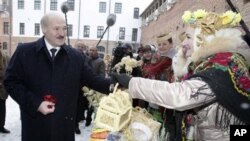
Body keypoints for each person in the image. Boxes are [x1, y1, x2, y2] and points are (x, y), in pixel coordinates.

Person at [112, 10, 250, 140]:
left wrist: (131, 83)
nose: (183, 43)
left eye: (188, 37)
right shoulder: (222, 61)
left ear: (205, 39)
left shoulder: (220, 67)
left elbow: (180, 95)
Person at [3, 12, 110, 141]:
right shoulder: (25, 52)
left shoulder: (75, 57)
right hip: (35, 127)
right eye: (56, 28)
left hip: (64, 130)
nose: (62, 33)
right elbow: (11, 82)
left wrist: (120, 84)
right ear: (44, 29)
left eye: (65, 28)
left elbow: (93, 80)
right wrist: (36, 103)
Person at [74, 41, 92, 134]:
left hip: (82, 87)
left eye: (81, 47)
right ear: (74, 46)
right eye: (78, 46)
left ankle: (76, 124)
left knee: (79, 107)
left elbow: (89, 72)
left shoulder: (87, 59)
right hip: (71, 86)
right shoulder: (69, 56)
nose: (80, 48)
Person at [0, 50, 10, 134]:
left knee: (2, 108)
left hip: (2, 89)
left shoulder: (5, 56)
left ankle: (1, 126)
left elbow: (8, 70)